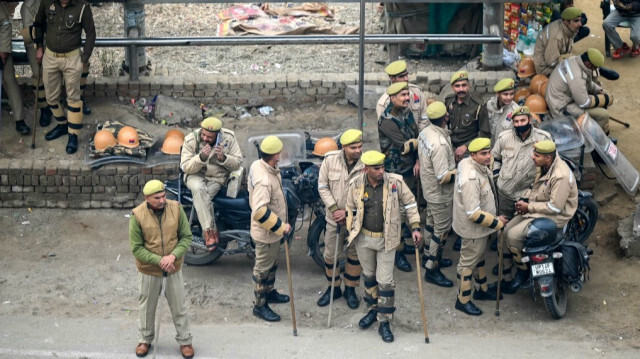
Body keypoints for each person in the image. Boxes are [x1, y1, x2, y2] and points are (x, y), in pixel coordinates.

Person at [345, 150, 422, 343]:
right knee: (369, 278)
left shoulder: (395, 182)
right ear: (366, 169)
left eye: (382, 167)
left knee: (385, 282)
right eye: (377, 168)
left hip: (387, 239)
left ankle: (385, 321)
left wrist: (415, 227)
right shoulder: (355, 184)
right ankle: (373, 310)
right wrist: (350, 228)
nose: (381, 171)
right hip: (364, 240)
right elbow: (350, 208)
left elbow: (411, 204)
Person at [129, 180, 194, 359]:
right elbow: (136, 248)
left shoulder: (176, 208)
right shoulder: (137, 215)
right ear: (147, 198)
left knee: (179, 306)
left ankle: (185, 340)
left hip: (173, 268)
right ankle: (145, 339)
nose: (162, 200)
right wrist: (160, 260)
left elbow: (186, 237)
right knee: (146, 308)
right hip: (148, 270)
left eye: (164, 196)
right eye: (157, 198)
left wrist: (172, 257)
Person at [503, 140, 578, 292]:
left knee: (512, 236)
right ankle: (510, 265)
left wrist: (528, 207)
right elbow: (539, 190)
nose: (532, 157)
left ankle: (523, 270)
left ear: (548, 158)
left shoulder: (560, 176)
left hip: (554, 216)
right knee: (505, 230)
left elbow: (555, 207)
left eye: (536, 155)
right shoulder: (545, 166)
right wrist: (525, 200)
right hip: (538, 209)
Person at [491, 106, 552, 291]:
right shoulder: (504, 137)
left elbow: (551, 165)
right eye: (516, 122)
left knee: (519, 235)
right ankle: (505, 267)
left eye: (522, 121)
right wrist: (497, 176)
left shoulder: (542, 139)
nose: (519, 125)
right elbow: (494, 157)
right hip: (505, 195)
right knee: (502, 231)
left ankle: (522, 270)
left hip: (527, 197)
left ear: (529, 121)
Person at [452, 138, 506, 316]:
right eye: (483, 154)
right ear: (473, 155)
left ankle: (482, 289)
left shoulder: (469, 163)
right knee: (467, 264)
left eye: (489, 152)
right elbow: (473, 213)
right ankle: (463, 299)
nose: (488, 156)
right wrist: (497, 222)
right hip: (473, 229)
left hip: (480, 229)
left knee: (479, 257)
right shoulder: (470, 178)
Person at [33, 0, 96, 154]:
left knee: (73, 98)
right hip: (50, 57)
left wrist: (84, 58)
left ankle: (73, 134)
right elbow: (38, 23)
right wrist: (39, 47)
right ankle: (62, 124)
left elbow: (91, 33)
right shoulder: (47, 3)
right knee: (51, 97)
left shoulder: (82, 7)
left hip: (72, 58)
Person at [316, 129, 365, 309]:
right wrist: (335, 209)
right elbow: (322, 186)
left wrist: (348, 212)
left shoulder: (366, 164)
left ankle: (350, 290)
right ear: (343, 147)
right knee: (330, 256)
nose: (358, 151)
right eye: (354, 147)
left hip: (356, 221)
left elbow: (368, 194)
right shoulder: (330, 160)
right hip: (333, 219)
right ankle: (333, 288)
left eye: (360, 146)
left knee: (354, 256)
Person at [180, 117, 243, 252]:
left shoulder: (229, 138)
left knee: (204, 197)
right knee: (198, 188)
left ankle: (213, 230)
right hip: (195, 175)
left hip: (216, 178)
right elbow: (186, 167)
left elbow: (238, 162)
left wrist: (224, 158)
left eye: (209, 136)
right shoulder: (191, 140)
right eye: (203, 134)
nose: (205, 138)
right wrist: (201, 157)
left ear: (218, 134)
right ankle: (209, 232)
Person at [248, 135, 292, 322]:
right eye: (279, 153)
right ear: (275, 156)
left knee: (272, 265)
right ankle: (260, 305)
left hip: (272, 233)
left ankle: (270, 292)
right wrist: (281, 226)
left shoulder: (259, 164)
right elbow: (259, 211)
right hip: (267, 233)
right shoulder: (265, 180)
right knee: (262, 270)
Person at [378, 81, 419, 272]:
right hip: (395, 171)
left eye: (407, 94)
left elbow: (415, 135)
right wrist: (422, 141)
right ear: (392, 98)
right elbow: (404, 146)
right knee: (397, 213)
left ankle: (402, 242)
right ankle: (398, 251)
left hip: (409, 168)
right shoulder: (387, 120)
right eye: (402, 95)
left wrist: (417, 154)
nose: (407, 98)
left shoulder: (406, 112)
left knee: (407, 207)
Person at [418, 101, 456, 288]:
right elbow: (443, 176)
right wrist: (461, 171)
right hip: (440, 193)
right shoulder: (439, 144)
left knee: (431, 224)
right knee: (441, 231)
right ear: (445, 118)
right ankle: (432, 268)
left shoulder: (425, 132)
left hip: (428, 189)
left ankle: (427, 254)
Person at [546, 48, 612, 133]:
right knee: (603, 115)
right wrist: (603, 100)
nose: (595, 70)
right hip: (561, 107)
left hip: (559, 98)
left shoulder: (574, 60)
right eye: (595, 68)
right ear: (589, 64)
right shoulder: (576, 77)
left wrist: (599, 90)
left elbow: (587, 82)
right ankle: (594, 140)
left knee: (598, 106)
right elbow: (584, 103)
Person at [445, 71, 491, 163]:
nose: (461, 89)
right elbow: (445, 123)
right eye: (457, 86)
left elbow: (485, 133)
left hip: (469, 148)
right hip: (451, 145)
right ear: (452, 87)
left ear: (468, 85)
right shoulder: (448, 101)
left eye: (464, 85)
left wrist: (465, 146)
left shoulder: (478, 105)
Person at [21, 0, 52, 128]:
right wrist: (39, 45)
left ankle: (78, 101)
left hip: (55, 39)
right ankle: (44, 108)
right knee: (38, 75)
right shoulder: (28, 6)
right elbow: (30, 32)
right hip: (34, 42)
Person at [376, 60, 432, 131]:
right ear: (392, 78)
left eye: (406, 75)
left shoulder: (417, 92)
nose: (406, 78)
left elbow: (424, 118)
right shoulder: (383, 103)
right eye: (402, 76)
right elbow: (386, 129)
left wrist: (418, 136)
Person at [0, 3, 30, 135]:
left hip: (1, 50)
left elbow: (5, 25)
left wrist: (4, 51)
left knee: (9, 80)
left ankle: (20, 120)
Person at [533, 7, 584, 76]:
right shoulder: (557, 37)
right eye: (576, 21)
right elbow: (551, 63)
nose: (580, 24)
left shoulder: (568, 28)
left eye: (580, 20)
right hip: (545, 68)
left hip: (555, 61)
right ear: (566, 22)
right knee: (575, 75)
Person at [485, 78, 518, 143]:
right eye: (505, 94)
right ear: (497, 94)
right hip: (488, 148)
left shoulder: (515, 110)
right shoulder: (489, 105)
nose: (509, 97)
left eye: (511, 94)